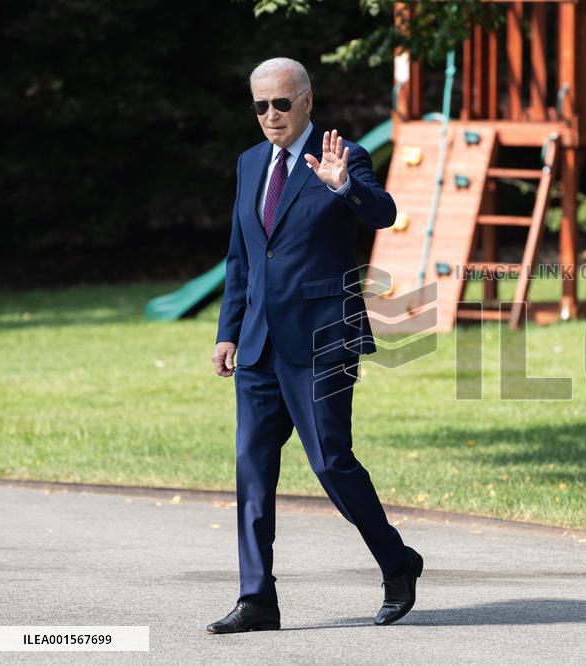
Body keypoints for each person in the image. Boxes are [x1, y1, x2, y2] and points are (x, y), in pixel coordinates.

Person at [206, 57, 422, 634]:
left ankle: (397, 562)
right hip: (258, 345)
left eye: (280, 103)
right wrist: (229, 330)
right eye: (260, 106)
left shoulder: (343, 155)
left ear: (306, 100)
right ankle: (257, 599)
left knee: (330, 462)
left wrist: (344, 185)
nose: (270, 116)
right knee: (252, 468)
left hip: (324, 338)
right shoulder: (250, 164)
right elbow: (242, 257)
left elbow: (385, 213)